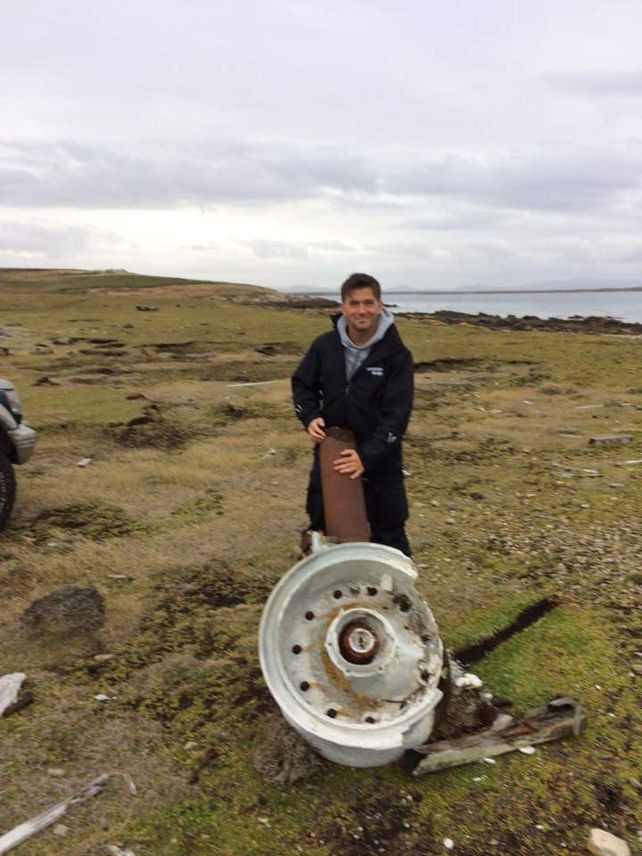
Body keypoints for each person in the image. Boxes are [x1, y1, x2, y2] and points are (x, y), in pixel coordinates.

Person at [291, 272, 414, 556]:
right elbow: (302, 385)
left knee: (388, 534)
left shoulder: (396, 354)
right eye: (354, 303)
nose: (362, 310)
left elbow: (398, 415)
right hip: (332, 455)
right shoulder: (325, 346)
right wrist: (309, 416)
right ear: (343, 306)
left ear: (381, 306)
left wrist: (367, 456)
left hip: (381, 462)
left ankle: (397, 596)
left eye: (369, 303)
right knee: (325, 528)